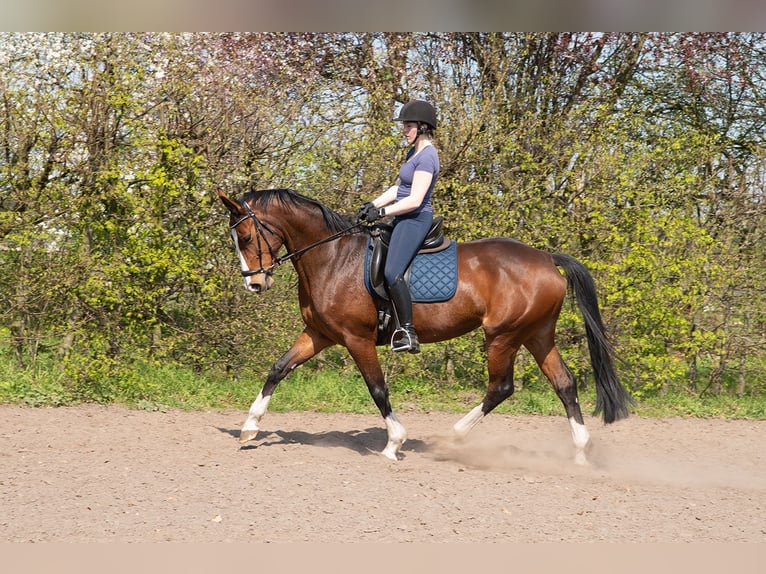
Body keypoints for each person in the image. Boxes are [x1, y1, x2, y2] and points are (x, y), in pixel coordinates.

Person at [356, 99, 440, 354]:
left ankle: (407, 331)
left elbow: (414, 200)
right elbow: (398, 189)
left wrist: (381, 212)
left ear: (423, 127)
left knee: (393, 272)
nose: (404, 130)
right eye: (404, 125)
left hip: (416, 219)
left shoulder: (428, 157)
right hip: (402, 217)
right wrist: (371, 204)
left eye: (409, 126)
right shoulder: (412, 153)